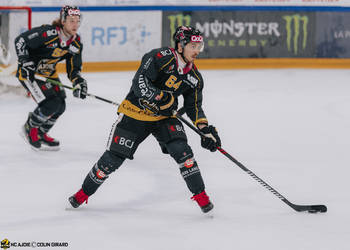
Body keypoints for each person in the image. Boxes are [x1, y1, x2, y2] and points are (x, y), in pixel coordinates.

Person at [69, 26, 221, 213]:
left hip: (163, 118)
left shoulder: (194, 78)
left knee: (183, 152)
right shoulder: (159, 57)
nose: (197, 51)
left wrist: (204, 129)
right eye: (193, 46)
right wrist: (162, 97)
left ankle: (201, 196)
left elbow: (194, 107)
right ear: (180, 46)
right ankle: (83, 194)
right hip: (135, 113)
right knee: (112, 161)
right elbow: (139, 83)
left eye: (200, 46)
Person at [15, 5, 87, 151]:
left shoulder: (76, 43)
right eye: (71, 20)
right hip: (30, 74)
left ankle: (41, 133)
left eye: (77, 20)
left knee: (61, 105)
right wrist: (25, 61)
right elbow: (21, 40)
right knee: (51, 104)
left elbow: (73, 69)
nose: (75, 24)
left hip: (48, 74)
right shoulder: (49, 33)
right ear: (63, 21)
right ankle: (30, 128)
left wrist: (78, 82)